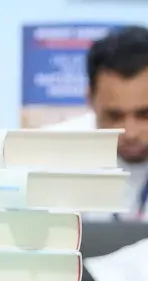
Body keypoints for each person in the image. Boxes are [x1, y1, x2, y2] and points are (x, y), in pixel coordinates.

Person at [51, 25, 148, 216]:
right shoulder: (49, 162)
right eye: (114, 116)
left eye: (144, 114)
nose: (130, 133)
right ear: (90, 99)